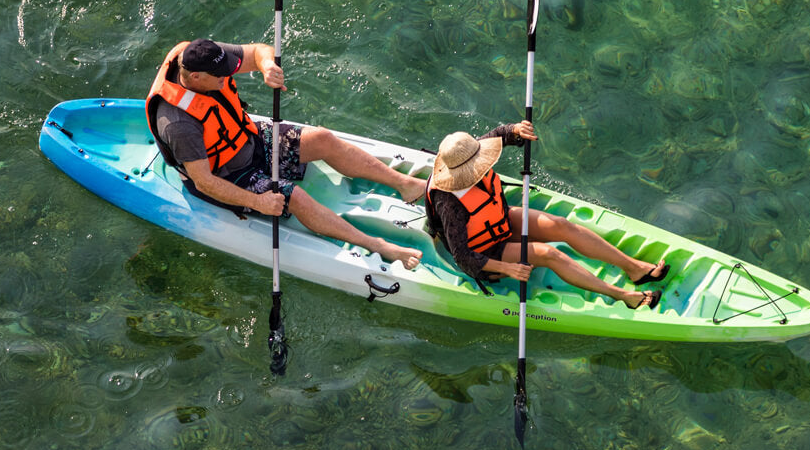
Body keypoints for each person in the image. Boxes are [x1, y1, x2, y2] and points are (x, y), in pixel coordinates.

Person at [145, 38, 425, 269]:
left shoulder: (201, 56)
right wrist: (258, 203)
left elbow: (257, 51)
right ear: (195, 77)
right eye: (221, 76)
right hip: (227, 174)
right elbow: (204, 181)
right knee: (295, 197)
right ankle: (377, 245)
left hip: (249, 139)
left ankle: (405, 184)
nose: (228, 75)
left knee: (324, 139)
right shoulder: (179, 124)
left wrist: (267, 66)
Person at [424, 120, 669, 309]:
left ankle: (634, 268)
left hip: (500, 221)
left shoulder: (467, 150)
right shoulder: (448, 202)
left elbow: (500, 134)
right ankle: (623, 296)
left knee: (561, 226)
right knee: (550, 254)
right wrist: (507, 269)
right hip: (484, 253)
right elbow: (463, 255)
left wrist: (518, 129)